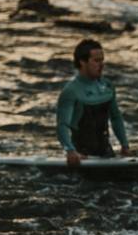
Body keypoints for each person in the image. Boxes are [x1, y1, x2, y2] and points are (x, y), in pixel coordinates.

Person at [56, 38, 131, 166]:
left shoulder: (107, 86)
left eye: (102, 60)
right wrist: (70, 150)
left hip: (107, 154)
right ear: (82, 62)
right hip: (82, 156)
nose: (101, 65)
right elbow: (62, 125)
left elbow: (116, 117)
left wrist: (125, 145)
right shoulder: (71, 91)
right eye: (96, 61)